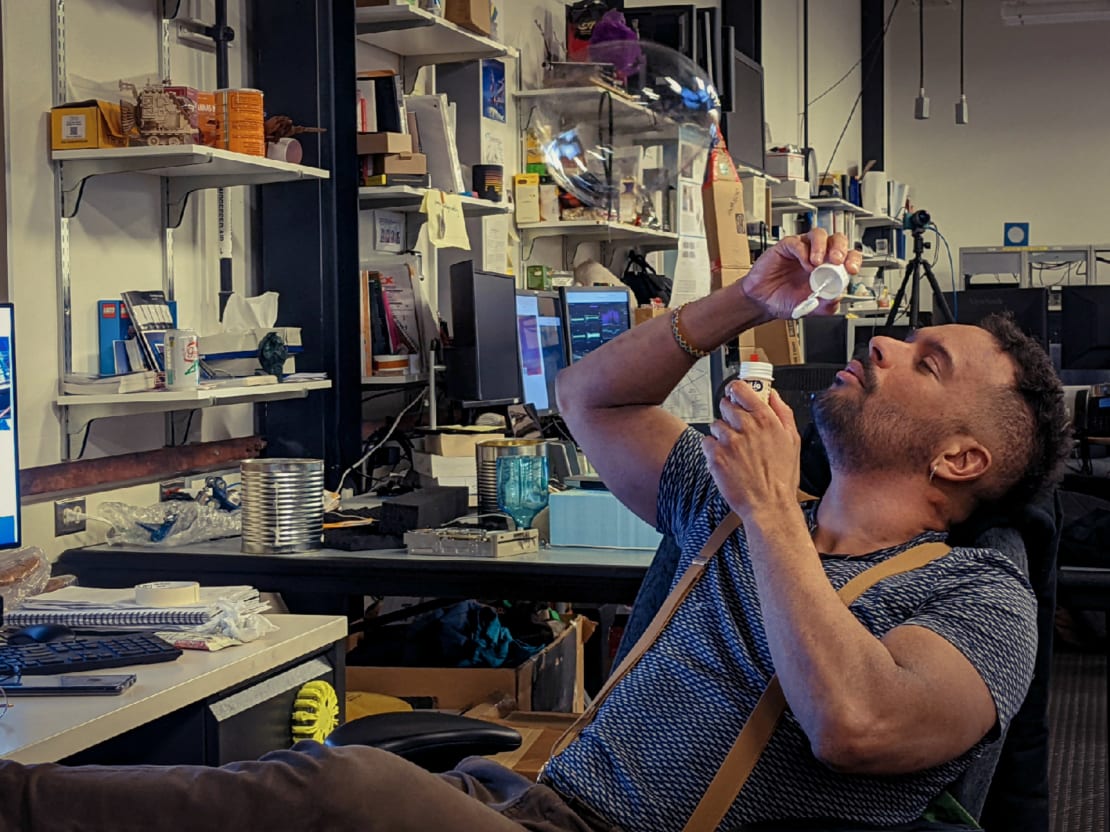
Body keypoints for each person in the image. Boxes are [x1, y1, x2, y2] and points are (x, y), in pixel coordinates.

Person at [0, 231, 1070, 832]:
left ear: (962, 460)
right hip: (535, 803)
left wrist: (768, 516)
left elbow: (864, 724)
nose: (882, 345)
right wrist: (741, 301)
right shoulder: (738, 503)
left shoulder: (979, 600)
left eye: (925, 362)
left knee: (341, 789)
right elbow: (590, 398)